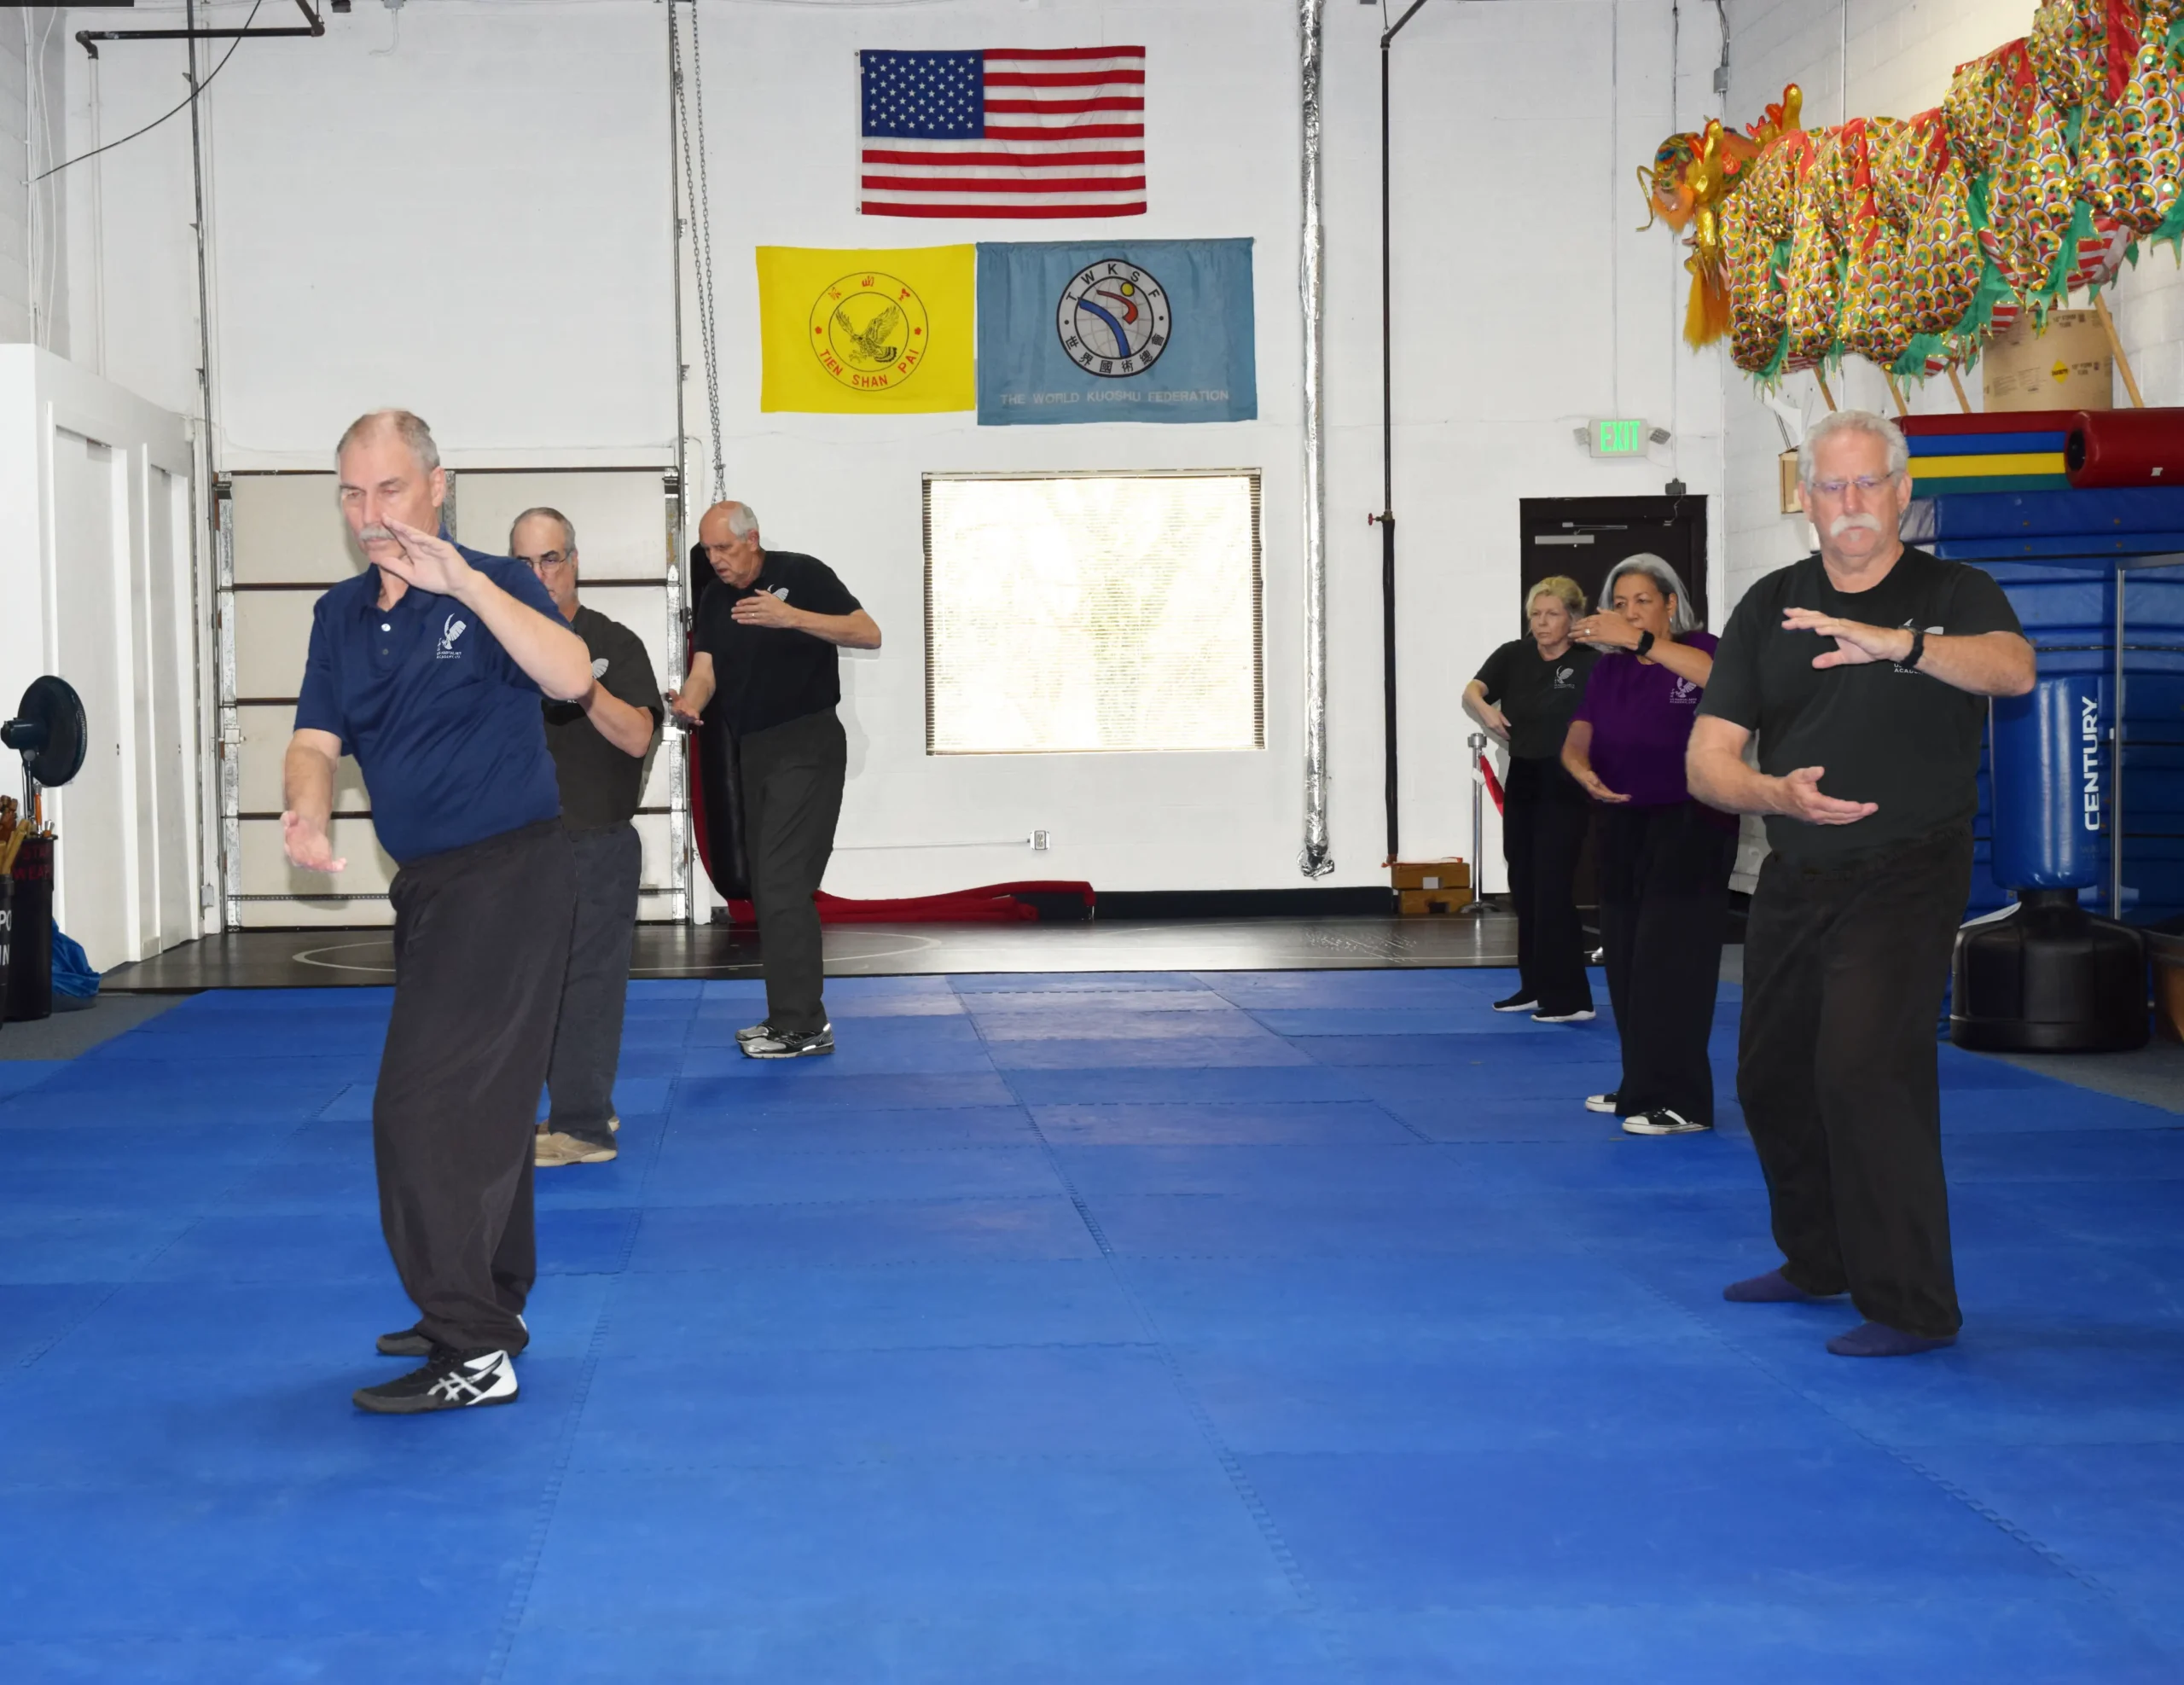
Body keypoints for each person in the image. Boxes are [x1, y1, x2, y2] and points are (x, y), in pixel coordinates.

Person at [1687, 409, 2036, 1358]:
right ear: (1804, 498)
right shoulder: (1769, 605)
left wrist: (1900, 645)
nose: (1851, 501)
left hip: (1909, 868)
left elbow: (2013, 671)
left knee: (1865, 1069)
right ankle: (1819, 1258)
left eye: (1868, 482)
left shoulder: (1952, 589)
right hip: (1798, 871)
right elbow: (1707, 761)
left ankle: (1912, 1303)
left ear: (1902, 492)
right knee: (1770, 1075)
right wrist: (1773, 793)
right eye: (1832, 485)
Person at [283, 410, 594, 1412]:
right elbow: (315, 738)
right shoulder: (339, 614)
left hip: (511, 875)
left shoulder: (494, 584)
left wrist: (463, 581)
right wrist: (305, 809)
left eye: (390, 489)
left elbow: (570, 677)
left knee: (420, 1110)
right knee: (483, 1108)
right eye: (352, 493)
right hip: (426, 888)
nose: (370, 513)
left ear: (437, 487)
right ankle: (486, 1300)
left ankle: (474, 1347)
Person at [665, 502, 881, 1057]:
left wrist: (792, 617)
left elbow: (867, 632)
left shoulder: (802, 573)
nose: (716, 559)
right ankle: (789, 1016)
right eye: (708, 550)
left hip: (807, 741)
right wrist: (689, 703)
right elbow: (705, 670)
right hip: (754, 750)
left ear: (752, 539)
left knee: (782, 883)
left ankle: (803, 1026)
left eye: (724, 548)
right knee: (769, 886)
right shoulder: (715, 598)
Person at [509, 507, 663, 1168]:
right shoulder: (499, 644)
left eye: (550, 558)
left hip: (596, 843)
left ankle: (585, 1127)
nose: (539, 573)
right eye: (524, 562)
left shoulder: (612, 642)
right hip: (517, 846)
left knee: (589, 986)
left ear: (574, 562)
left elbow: (638, 737)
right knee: (529, 988)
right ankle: (579, 1103)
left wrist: (583, 686)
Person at [1563, 554, 1734, 1136]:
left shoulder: (1701, 649)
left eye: (1642, 600)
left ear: (1670, 604)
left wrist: (1639, 640)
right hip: (1623, 822)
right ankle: (1642, 1081)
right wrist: (1579, 766)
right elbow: (1579, 732)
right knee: (1628, 959)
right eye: (1620, 603)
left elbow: (1720, 682)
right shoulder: (1609, 669)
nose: (1630, 611)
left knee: (1673, 962)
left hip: (1692, 822)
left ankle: (1683, 1100)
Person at [1463, 577, 1600, 1023]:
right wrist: (1485, 708)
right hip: (1524, 774)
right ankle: (1535, 985)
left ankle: (1572, 998)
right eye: (1535, 614)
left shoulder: (1591, 663)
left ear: (1573, 618)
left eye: (1552, 614)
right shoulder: (1514, 655)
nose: (1541, 623)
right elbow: (1472, 690)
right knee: (1524, 883)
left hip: (1565, 779)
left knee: (1552, 885)